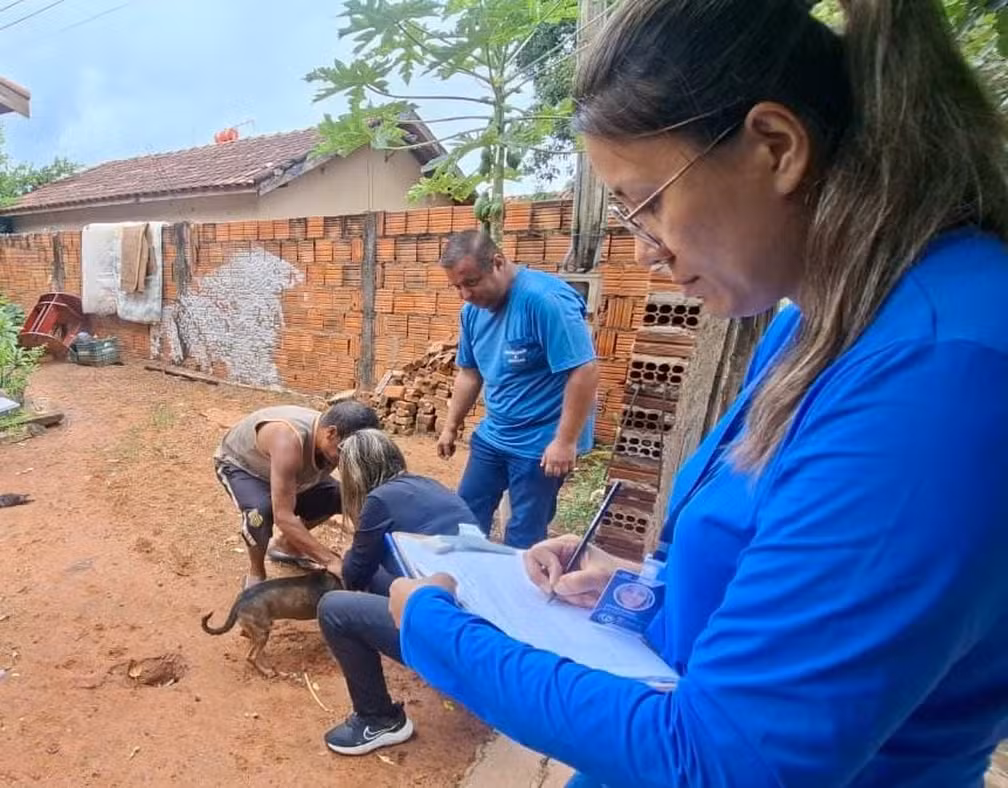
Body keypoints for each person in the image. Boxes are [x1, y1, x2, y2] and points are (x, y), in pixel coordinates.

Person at [387, 1, 1008, 786]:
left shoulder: (941, 377)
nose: (646, 251)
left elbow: (725, 760)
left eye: (648, 204)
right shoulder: (813, 327)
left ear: (775, 148)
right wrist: (632, 591)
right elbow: (762, 571)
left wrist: (442, 633)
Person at [317, 428, 476, 756]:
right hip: (481, 625)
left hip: (456, 646)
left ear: (356, 472)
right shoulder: (428, 484)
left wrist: (349, 556)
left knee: (334, 609)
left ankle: (379, 718)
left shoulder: (378, 500)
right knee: (379, 569)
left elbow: (354, 573)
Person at [436, 230, 599, 548]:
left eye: (471, 282)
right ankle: (463, 586)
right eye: (456, 286)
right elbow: (470, 373)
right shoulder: (471, 312)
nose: (464, 295)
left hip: (539, 445)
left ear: (498, 262)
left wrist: (564, 442)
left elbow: (584, 370)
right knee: (464, 518)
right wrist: (450, 426)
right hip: (495, 434)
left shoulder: (544, 300)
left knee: (524, 536)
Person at [213, 401, 378, 588]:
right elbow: (283, 516)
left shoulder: (336, 441)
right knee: (259, 514)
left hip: (287, 473)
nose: (349, 458)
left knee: (341, 496)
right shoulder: (287, 440)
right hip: (245, 468)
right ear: (331, 433)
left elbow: (357, 494)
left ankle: (286, 546)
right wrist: (332, 561)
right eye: (346, 452)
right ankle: (256, 573)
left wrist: (365, 551)